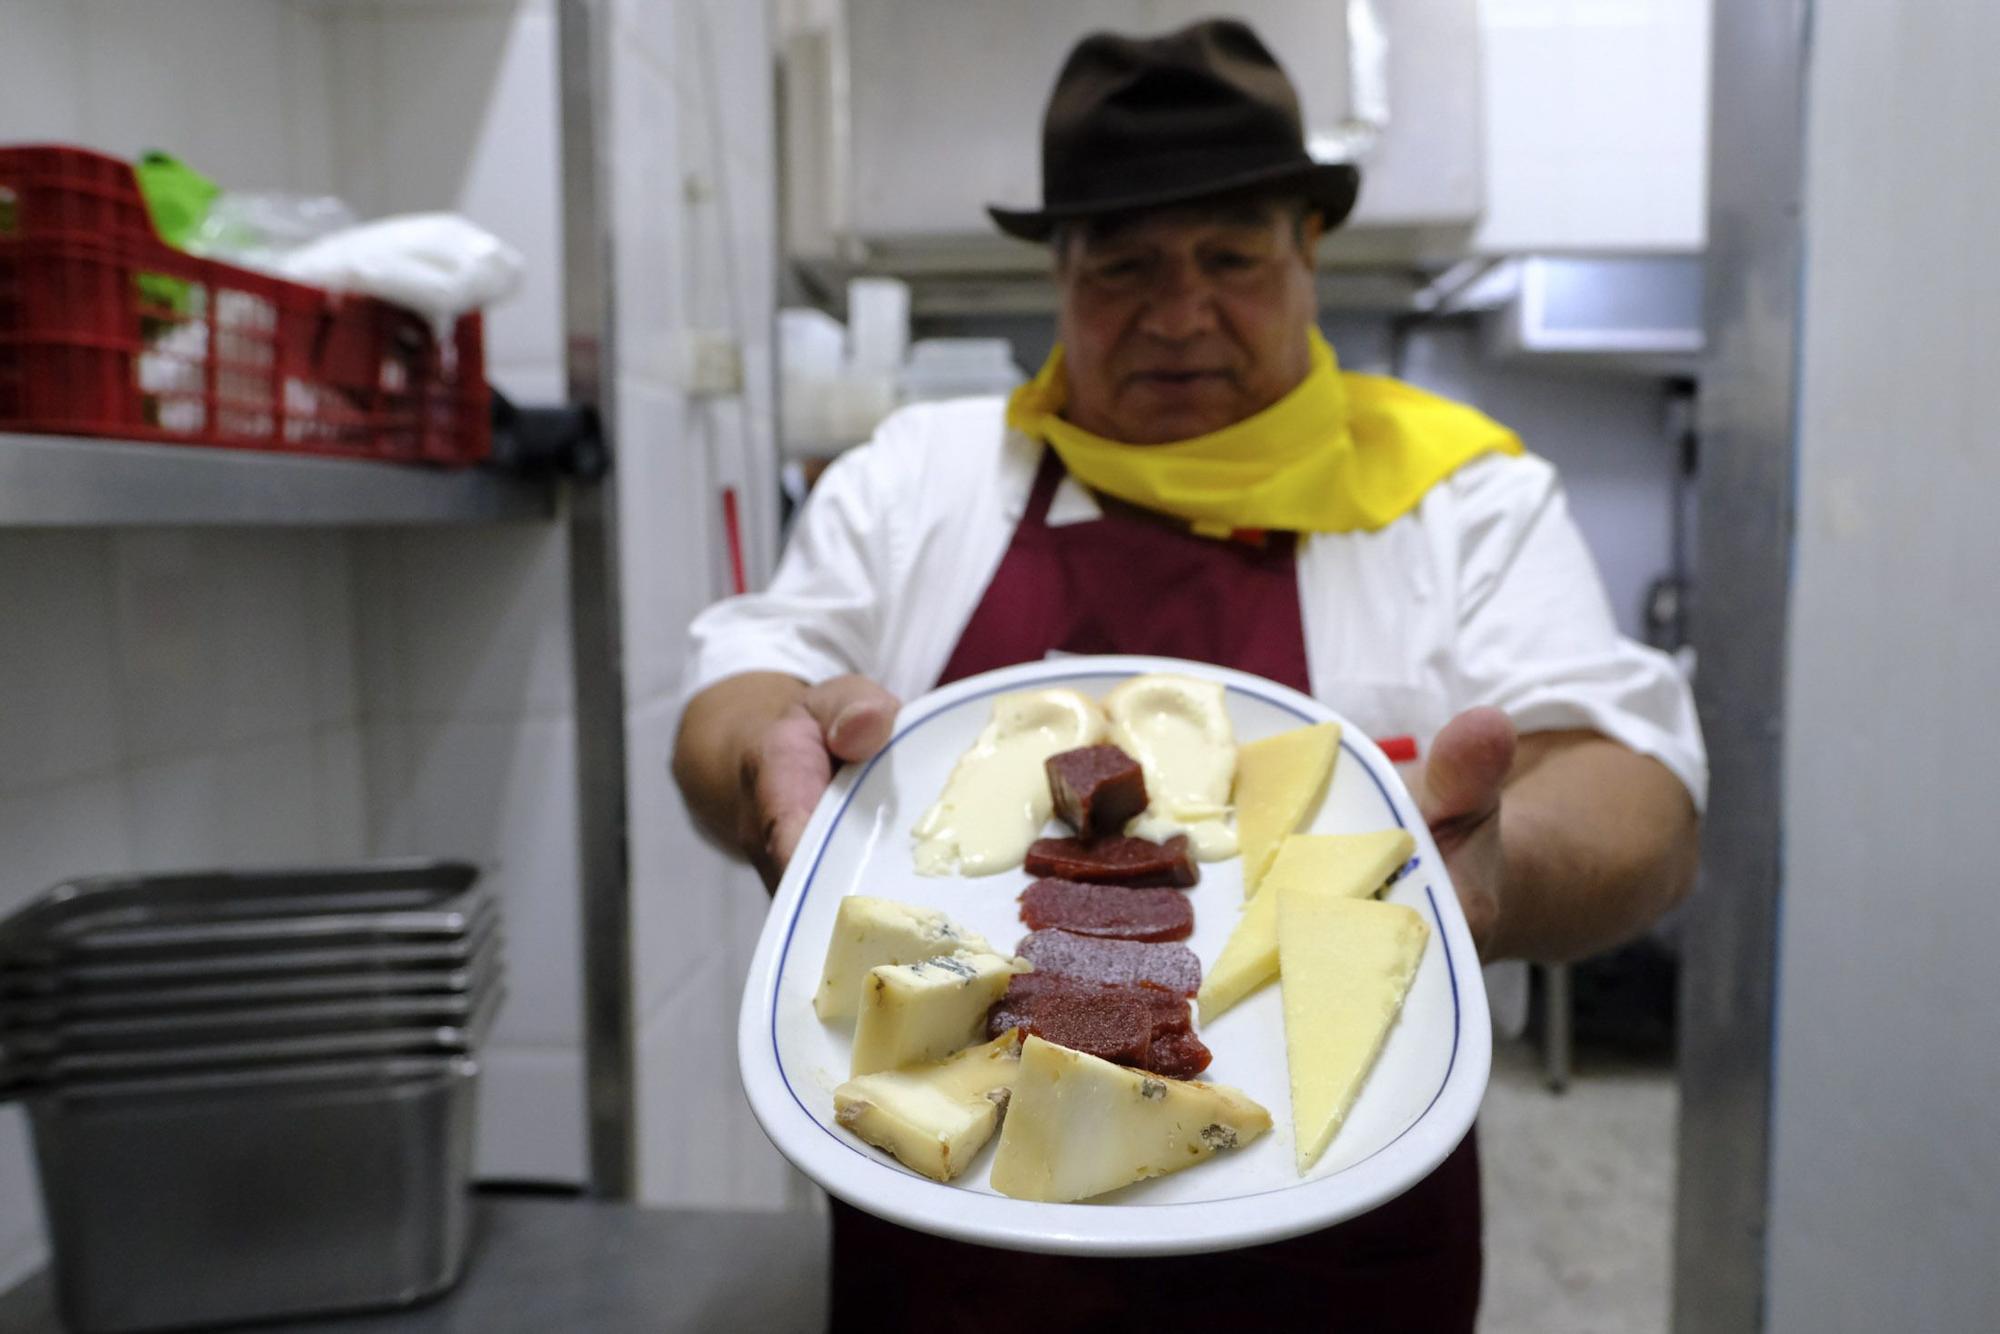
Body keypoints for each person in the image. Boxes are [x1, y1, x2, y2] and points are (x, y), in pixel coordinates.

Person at [674, 18, 1704, 1333]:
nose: (1178, 313)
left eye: (1229, 255)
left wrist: (1497, 878)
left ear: (1308, 249)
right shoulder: (916, 476)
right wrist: (769, 751)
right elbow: (736, 694)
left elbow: (1644, 793)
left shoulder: (1458, 498)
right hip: (958, 1253)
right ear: (1055, 272)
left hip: (1338, 1246)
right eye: (1121, 265)